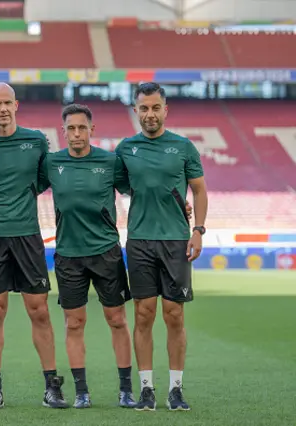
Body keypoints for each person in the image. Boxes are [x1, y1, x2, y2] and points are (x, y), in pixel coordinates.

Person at [0, 82, 68, 410]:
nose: (2, 109)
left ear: (16, 104)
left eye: (7, 102)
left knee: (39, 310)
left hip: (27, 235)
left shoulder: (36, 140)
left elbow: (45, 180)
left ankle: (52, 385)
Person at [37, 103, 137, 409]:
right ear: (63, 131)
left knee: (117, 319)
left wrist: (180, 206)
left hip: (106, 252)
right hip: (68, 256)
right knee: (74, 323)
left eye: (82, 127)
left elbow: (138, 191)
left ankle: (126, 390)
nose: (76, 133)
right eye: (71, 128)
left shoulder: (110, 161)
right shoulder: (52, 163)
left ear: (91, 130)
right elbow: (21, 190)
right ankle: (81, 391)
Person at [115, 82, 208, 411]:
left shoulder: (183, 147)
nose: (150, 114)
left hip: (175, 242)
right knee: (143, 315)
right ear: (135, 110)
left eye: (156, 108)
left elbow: (198, 190)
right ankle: (146, 390)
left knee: (174, 316)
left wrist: (197, 230)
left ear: (165, 110)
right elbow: (124, 186)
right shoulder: (125, 149)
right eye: (144, 108)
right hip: (139, 241)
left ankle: (176, 389)